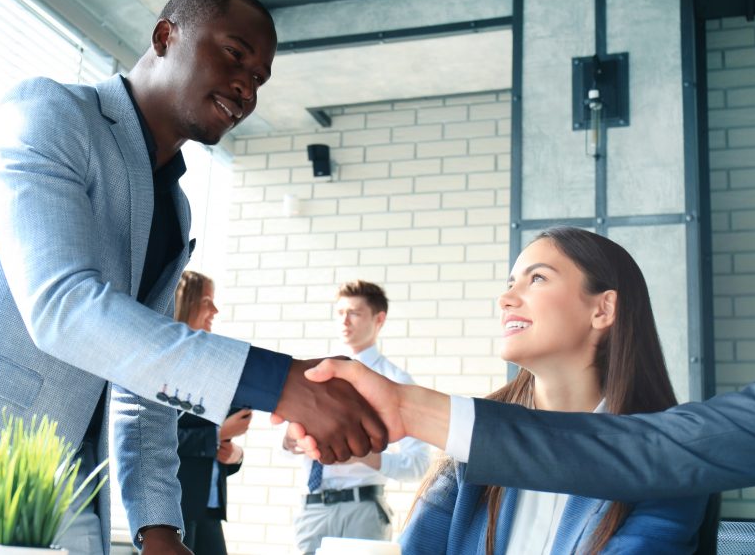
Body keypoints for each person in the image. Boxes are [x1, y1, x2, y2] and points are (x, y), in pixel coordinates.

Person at [0, 0, 385, 555]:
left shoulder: (175, 206)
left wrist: (158, 528)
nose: (247, 86)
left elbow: (141, 378)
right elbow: (63, 308)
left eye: (260, 77)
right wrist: (279, 383)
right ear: (165, 35)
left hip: (64, 500)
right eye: (234, 54)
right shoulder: (48, 113)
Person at [289, 74, 755, 555]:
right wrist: (410, 410)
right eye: (510, 281)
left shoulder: (666, 466)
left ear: (604, 309)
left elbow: (646, 454)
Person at [400, 228, 707, 554]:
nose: (505, 299)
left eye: (537, 279)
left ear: (603, 310)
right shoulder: (471, 445)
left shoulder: (669, 458)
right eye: (510, 284)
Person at [284, 281, 430, 555]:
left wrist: (363, 455)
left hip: (362, 512)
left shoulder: (396, 383)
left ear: (379, 319)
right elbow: (284, 450)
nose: (344, 321)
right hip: (312, 512)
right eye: (339, 312)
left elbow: (419, 464)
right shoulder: (315, 373)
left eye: (354, 313)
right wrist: (291, 441)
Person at [172, 271, 249, 555]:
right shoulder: (166, 365)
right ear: (186, 302)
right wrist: (218, 434)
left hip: (209, 507)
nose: (215, 310)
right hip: (178, 508)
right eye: (207, 301)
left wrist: (236, 455)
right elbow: (160, 438)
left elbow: (221, 444)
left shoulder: (209, 365)